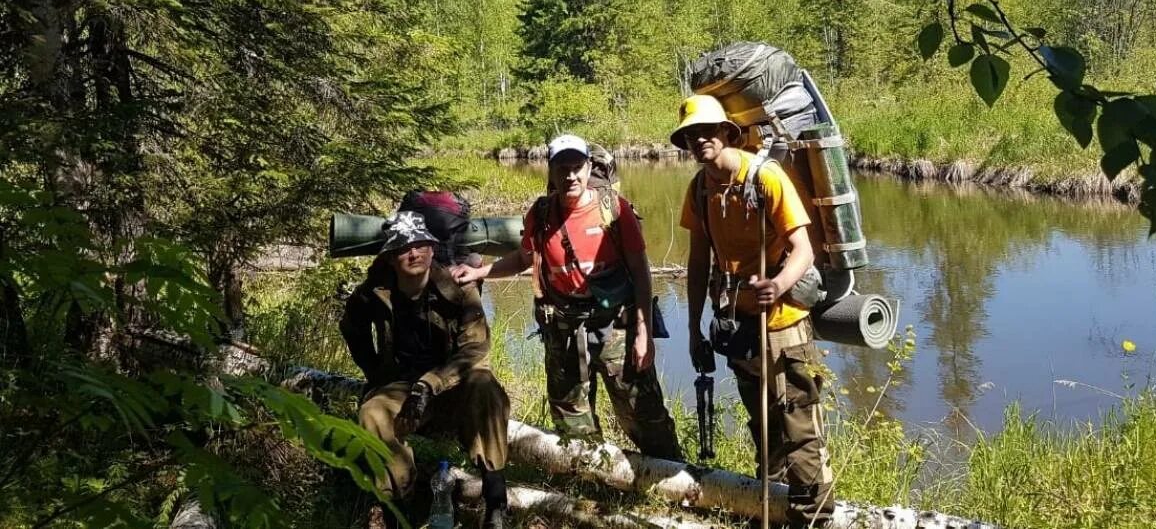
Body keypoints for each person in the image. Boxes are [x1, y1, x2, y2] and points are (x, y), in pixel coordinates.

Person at [451, 134, 681, 459]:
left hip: (615, 325)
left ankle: (672, 475)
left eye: (576, 167)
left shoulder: (614, 210)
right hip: (563, 328)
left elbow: (641, 274)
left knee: (640, 408)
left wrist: (644, 333)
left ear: (588, 168)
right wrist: (478, 272)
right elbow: (522, 258)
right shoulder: (542, 214)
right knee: (570, 414)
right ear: (551, 171)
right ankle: (590, 476)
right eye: (562, 168)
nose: (570, 176)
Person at [671, 95, 835, 528]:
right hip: (738, 325)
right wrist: (693, 327)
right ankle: (770, 508)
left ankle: (812, 518)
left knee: (799, 427)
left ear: (728, 132)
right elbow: (697, 260)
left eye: (708, 130)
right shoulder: (701, 188)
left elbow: (804, 247)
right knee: (763, 427)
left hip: (783, 324)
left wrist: (778, 285)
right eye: (691, 134)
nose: (699, 139)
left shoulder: (766, 177)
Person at [340, 210, 510, 529]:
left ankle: (495, 503)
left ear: (432, 249)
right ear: (391, 256)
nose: (414, 253)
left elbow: (475, 349)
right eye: (404, 247)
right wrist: (375, 374)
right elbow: (352, 327)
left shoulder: (457, 288)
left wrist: (430, 383)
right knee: (373, 413)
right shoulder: (374, 292)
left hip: (450, 387)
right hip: (401, 387)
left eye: (421, 244)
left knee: (485, 385)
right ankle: (397, 510)